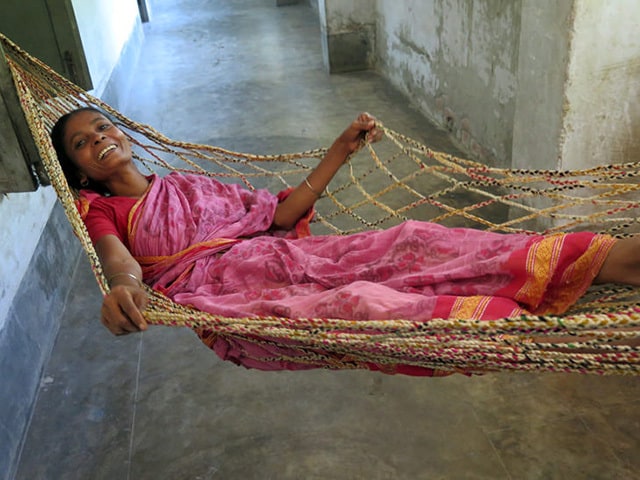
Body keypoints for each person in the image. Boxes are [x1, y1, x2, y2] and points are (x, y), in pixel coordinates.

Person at [50, 107, 640, 376]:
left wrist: (338, 150)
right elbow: (118, 260)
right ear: (78, 171)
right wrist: (125, 290)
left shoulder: (185, 183)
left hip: (288, 254)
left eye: (100, 125)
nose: (98, 138)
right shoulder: (101, 208)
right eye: (81, 142)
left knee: (411, 240)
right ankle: (511, 325)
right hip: (231, 296)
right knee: (361, 306)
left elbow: (279, 216)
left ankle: (610, 260)